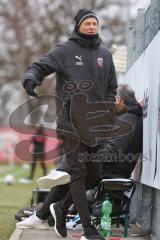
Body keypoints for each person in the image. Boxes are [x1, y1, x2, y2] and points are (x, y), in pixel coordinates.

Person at [22, 8, 117, 240]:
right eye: (87, 23)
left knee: (94, 175)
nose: (92, 27)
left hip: (95, 126)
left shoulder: (105, 54)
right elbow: (40, 65)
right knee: (78, 172)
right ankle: (88, 229)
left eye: (95, 23)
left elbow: (112, 88)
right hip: (71, 124)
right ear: (78, 26)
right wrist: (31, 79)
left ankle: (60, 207)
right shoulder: (65, 50)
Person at [17, 84, 143, 239]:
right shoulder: (128, 117)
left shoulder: (127, 120)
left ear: (118, 100)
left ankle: (48, 211)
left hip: (114, 170)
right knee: (74, 166)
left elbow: (112, 151)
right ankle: (49, 211)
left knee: (75, 167)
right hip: (112, 167)